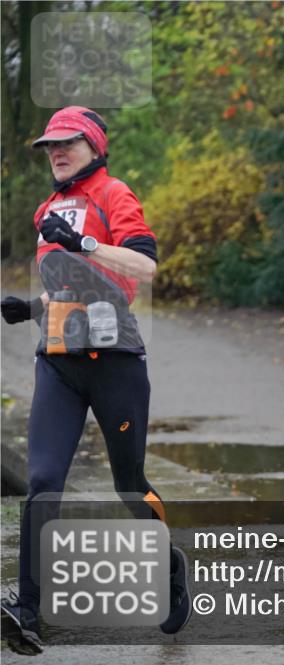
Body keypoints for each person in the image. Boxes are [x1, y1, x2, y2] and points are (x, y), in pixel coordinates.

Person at [0, 107, 191, 655]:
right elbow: (75, 287)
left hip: (116, 363)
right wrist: (31, 307)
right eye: (49, 146)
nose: (56, 153)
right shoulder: (46, 208)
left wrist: (82, 243)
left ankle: (168, 565)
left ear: (95, 146)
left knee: (128, 484)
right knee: (42, 482)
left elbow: (143, 269)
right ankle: (27, 610)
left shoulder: (114, 194)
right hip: (57, 361)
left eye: (68, 144)